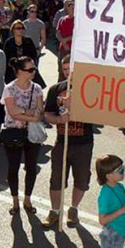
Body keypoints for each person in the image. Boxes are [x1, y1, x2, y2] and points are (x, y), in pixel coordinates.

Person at [42, 55, 94, 229]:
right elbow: (47, 113)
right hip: (62, 141)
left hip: (84, 143)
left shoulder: (89, 89)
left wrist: (75, 106)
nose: (67, 73)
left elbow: (97, 113)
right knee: (56, 178)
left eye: (70, 69)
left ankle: (73, 209)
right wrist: (58, 120)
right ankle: (55, 211)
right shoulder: (56, 89)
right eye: (64, 70)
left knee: (81, 179)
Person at [1, 56, 43, 215]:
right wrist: (30, 114)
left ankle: (27, 199)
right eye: (30, 69)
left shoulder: (37, 88)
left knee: (31, 168)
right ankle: (15, 201)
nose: (34, 72)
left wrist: (23, 112)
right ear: (19, 72)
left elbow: (39, 113)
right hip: (13, 133)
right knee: (13, 168)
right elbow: (12, 113)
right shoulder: (10, 88)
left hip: (32, 134)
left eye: (34, 68)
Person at [4, 19, 45, 87]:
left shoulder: (28, 41)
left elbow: (34, 55)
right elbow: (6, 58)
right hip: (13, 71)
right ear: (13, 30)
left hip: (28, 70)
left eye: (22, 28)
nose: (21, 30)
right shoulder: (9, 42)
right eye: (18, 28)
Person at [56, 0, 75, 77]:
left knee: (71, 69)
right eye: (71, 8)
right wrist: (63, 42)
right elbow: (58, 33)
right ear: (67, 9)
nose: (73, 10)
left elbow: (77, 34)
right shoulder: (62, 19)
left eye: (74, 8)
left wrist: (66, 40)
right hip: (62, 48)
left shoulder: (77, 21)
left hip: (72, 48)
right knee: (61, 69)